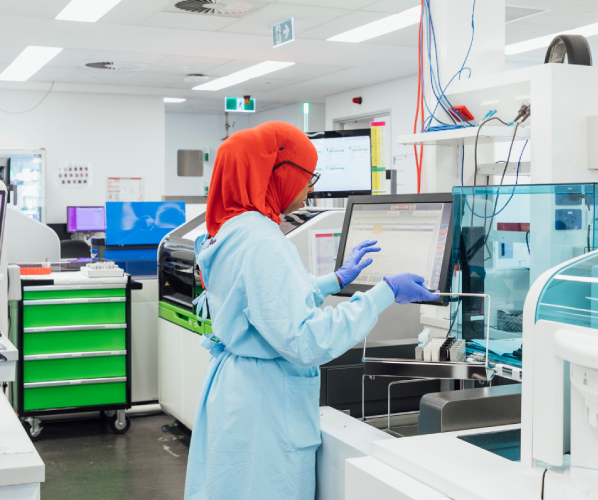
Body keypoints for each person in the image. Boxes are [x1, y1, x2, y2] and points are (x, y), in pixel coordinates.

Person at [184, 121, 439, 499]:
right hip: (265, 406)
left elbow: (261, 302)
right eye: (308, 176)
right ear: (278, 172)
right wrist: (384, 293)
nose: (310, 188)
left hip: (241, 392)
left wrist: (334, 281)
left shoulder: (233, 228)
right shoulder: (261, 238)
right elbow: (306, 339)